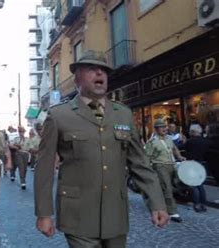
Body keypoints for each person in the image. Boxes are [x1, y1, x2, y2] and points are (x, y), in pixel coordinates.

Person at [35, 50, 169, 247]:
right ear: (77, 78)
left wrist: (157, 202)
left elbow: (139, 163)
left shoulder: (123, 114)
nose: (99, 74)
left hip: (115, 214)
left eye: (103, 71)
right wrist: (44, 213)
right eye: (91, 69)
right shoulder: (59, 116)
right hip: (77, 214)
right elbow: (44, 168)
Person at [145, 118, 186, 222]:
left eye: (165, 127)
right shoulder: (152, 142)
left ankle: (158, 205)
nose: (164, 129)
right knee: (167, 188)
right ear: (156, 129)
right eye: (161, 127)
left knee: (177, 185)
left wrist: (180, 156)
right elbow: (147, 157)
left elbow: (174, 148)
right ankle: (173, 212)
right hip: (160, 166)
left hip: (172, 165)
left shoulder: (169, 138)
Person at [184, 124, 210, 212]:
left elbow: (185, 151)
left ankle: (197, 204)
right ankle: (203, 204)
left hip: (192, 163)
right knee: (201, 185)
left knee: (194, 185)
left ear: (192, 132)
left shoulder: (190, 141)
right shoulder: (205, 141)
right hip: (202, 163)